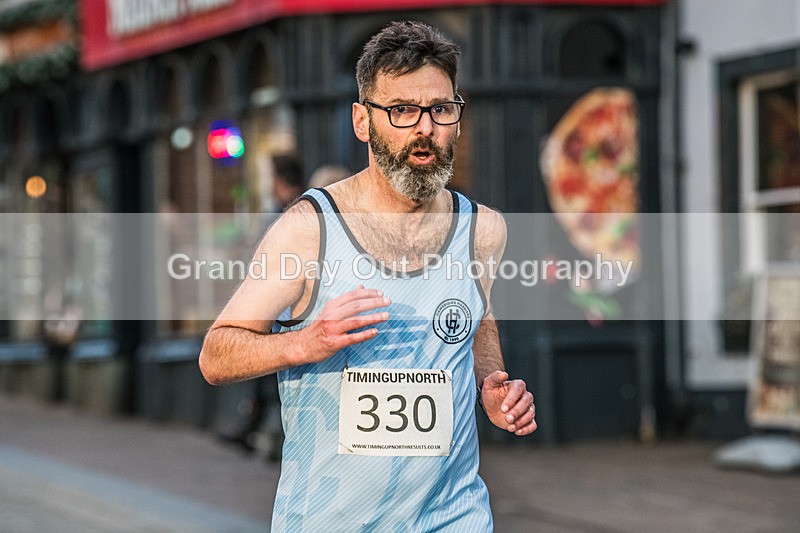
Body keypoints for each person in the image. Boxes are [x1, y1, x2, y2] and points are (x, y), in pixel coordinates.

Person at [200, 20, 536, 531]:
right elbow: (216, 354)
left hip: (453, 515)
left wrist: (490, 384)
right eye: (401, 111)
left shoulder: (482, 230)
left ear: (457, 120)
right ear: (363, 121)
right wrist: (305, 342)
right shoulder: (309, 230)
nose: (424, 128)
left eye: (440, 110)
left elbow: (480, 318)